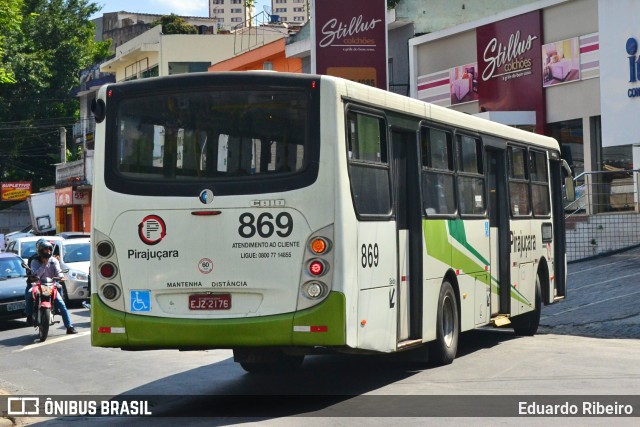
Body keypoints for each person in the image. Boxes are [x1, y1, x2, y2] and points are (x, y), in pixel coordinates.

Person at [25, 239, 77, 334]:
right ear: (40, 250)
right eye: (46, 250)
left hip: (51, 286)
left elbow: (58, 271)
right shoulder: (35, 261)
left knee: (62, 304)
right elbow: (35, 275)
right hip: (38, 285)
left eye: (49, 249)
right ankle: (29, 315)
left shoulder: (54, 261)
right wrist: (44, 265)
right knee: (29, 294)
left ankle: (69, 326)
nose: (48, 252)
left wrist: (60, 277)